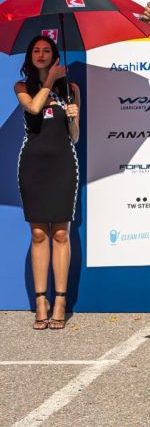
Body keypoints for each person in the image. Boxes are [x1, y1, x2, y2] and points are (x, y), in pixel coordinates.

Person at [14, 36, 80, 331]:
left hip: (63, 164)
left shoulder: (71, 89)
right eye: (36, 50)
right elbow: (33, 108)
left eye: (46, 50)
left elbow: (75, 137)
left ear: (54, 55)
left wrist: (73, 118)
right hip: (33, 166)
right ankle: (41, 301)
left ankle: (61, 301)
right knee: (39, 233)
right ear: (30, 56)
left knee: (61, 234)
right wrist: (50, 79)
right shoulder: (22, 87)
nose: (40, 54)